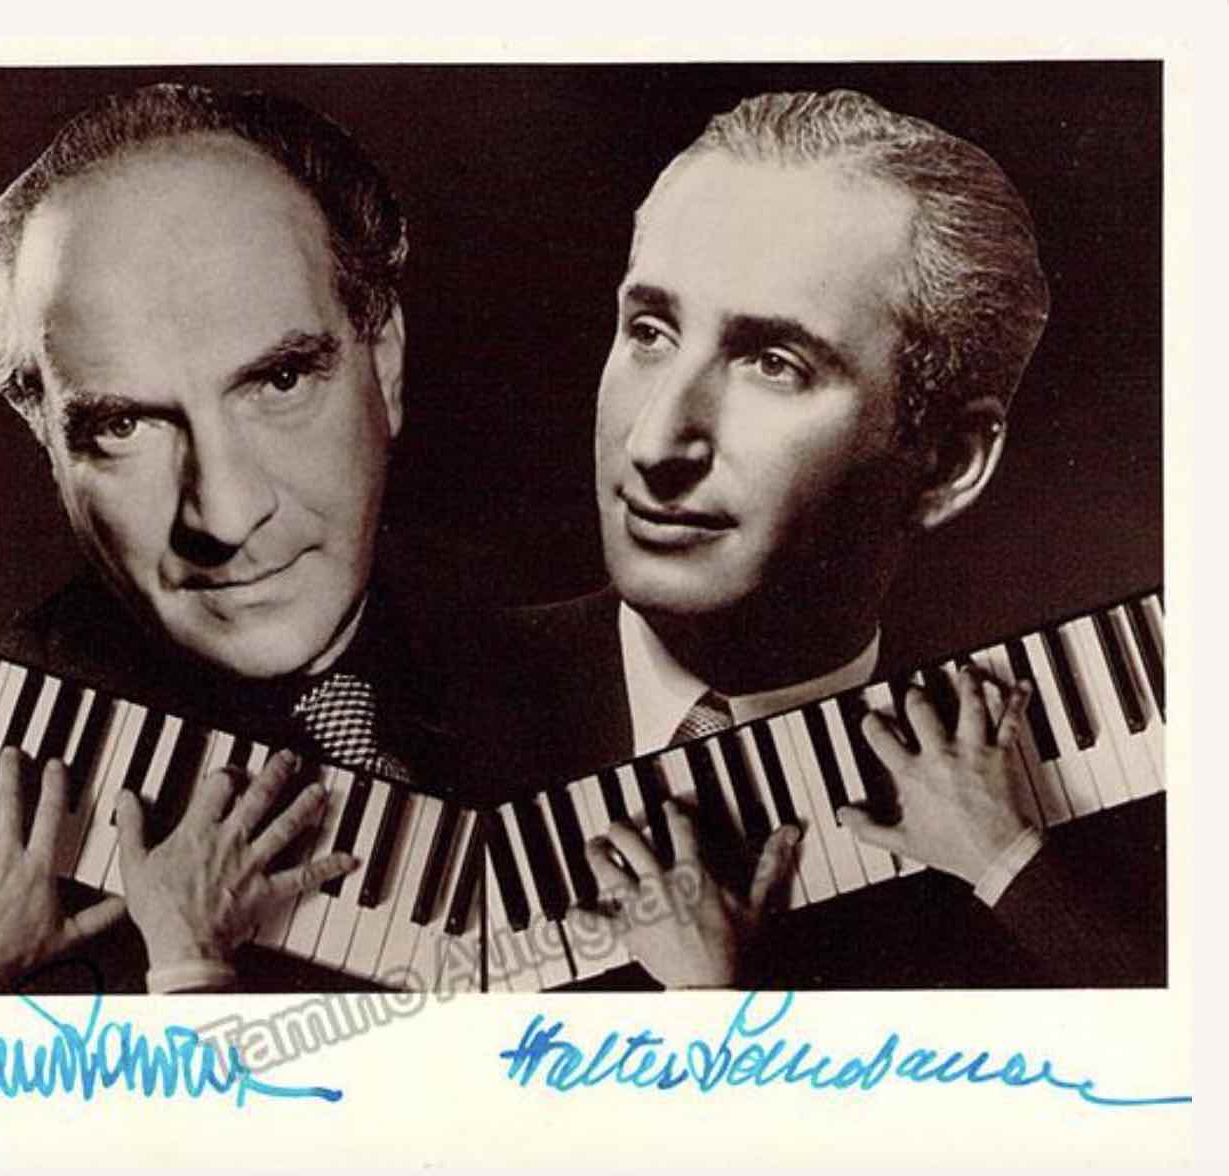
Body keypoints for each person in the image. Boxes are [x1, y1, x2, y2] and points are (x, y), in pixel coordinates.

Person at [469, 89, 1163, 990]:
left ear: (948, 462)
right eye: (650, 331)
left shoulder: (1043, 829)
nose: (654, 442)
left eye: (774, 364)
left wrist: (1002, 865)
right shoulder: (427, 689)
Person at [0, 83, 456, 995]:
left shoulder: (584, 650)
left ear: (387, 366)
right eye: (123, 426)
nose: (223, 514)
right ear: (49, 448)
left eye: (281, 381)